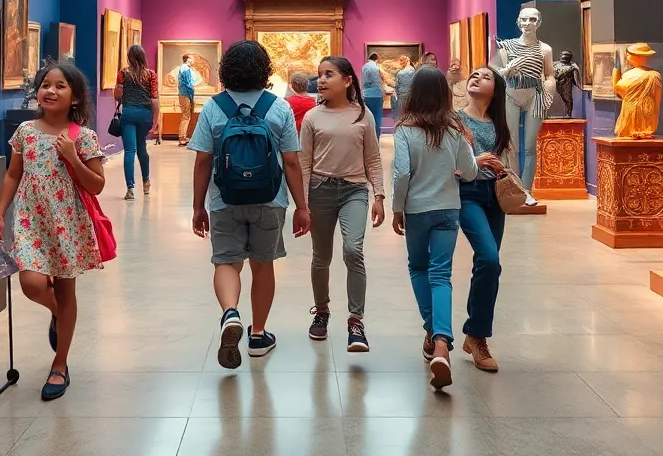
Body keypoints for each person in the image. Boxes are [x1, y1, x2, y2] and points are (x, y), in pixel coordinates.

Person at [189, 40, 310, 369]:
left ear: (226, 69)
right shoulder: (279, 107)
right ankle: (258, 335)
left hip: (224, 199)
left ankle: (230, 312)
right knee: (262, 264)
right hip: (270, 200)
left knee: (226, 262)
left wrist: (198, 206)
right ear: (264, 70)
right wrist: (302, 206)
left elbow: (202, 161)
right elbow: (292, 162)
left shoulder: (214, 107)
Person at [0, 62, 105, 401]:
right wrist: (0, 213)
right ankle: (59, 312)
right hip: (29, 220)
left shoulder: (82, 137)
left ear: (74, 97)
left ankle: (60, 365)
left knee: (67, 290)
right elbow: (13, 174)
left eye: (60, 86)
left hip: (66, 223)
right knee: (31, 283)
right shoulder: (25, 131)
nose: (50, 90)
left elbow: (97, 185)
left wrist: (73, 157)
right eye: (45, 84)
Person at [391, 66, 477, 390]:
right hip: (448, 210)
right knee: (441, 274)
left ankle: (433, 331)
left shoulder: (404, 130)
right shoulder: (454, 130)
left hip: (417, 210)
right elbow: (469, 173)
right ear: (444, 95)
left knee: (418, 268)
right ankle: (440, 342)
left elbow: (401, 174)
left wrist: (398, 208)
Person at [302, 56, 384, 352]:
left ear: (348, 80)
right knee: (321, 256)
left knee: (353, 250)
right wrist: (302, 203)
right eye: (319, 75)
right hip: (320, 191)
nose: (321, 80)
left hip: (354, 191)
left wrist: (379, 195)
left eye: (329, 74)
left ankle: (356, 322)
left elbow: (373, 158)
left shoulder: (363, 115)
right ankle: (321, 312)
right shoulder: (313, 117)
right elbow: (303, 162)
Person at [456, 66, 511, 373]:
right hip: (468, 193)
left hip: (496, 195)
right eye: (474, 75)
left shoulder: (499, 122)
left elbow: (510, 157)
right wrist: (474, 160)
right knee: (490, 259)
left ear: (496, 89)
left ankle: (475, 335)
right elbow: (448, 160)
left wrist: (501, 166)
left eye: (485, 76)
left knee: (487, 264)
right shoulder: (456, 119)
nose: (476, 78)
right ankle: (477, 335)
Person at [493, 8, 555, 206]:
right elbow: (493, 71)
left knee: (529, 147)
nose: (528, 23)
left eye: (532, 19)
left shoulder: (545, 49)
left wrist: (548, 93)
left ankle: (527, 190)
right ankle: (513, 187)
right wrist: (507, 70)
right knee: (510, 144)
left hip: (534, 95)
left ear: (539, 22)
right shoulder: (506, 46)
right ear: (518, 22)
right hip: (511, 94)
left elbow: (549, 74)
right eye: (524, 19)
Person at [114, 45, 159, 200]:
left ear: (129, 57)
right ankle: (146, 182)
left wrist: (123, 95)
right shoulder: (151, 75)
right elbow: (154, 99)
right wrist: (156, 119)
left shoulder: (123, 73)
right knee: (142, 148)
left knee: (129, 151)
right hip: (145, 114)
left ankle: (130, 189)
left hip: (129, 114)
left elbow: (117, 96)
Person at [176, 53, 198, 146]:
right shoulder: (186, 69)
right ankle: (182, 138)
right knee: (186, 116)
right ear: (188, 59)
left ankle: (183, 136)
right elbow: (188, 84)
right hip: (186, 94)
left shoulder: (183, 68)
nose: (193, 60)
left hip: (184, 94)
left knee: (186, 115)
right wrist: (192, 93)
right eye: (191, 58)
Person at [361, 53, 385, 138]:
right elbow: (377, 83)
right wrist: (383, 91)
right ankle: (375, 142)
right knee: (376, 120)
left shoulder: (364, 67)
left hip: (366, 95)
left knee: (367, 119)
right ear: (377, 59)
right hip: (376, 96)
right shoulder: (375, 68)